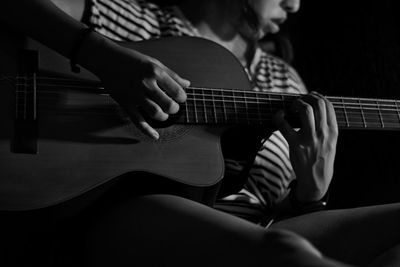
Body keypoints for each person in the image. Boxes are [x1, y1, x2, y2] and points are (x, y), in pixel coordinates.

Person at [1, 0, 400, 266]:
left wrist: (312, 193)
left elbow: (275, 218)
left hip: (263, 234)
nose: (295, 4)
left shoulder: (287, 80)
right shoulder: (141, 20)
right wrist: (102, 56)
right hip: (140, 216)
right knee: (289, 255)